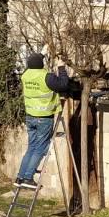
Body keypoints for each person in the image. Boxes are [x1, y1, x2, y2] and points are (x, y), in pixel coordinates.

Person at [16, 53, 72, 186]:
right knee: (40, 148)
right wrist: (61, 68)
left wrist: (42, 53)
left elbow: (31, 64)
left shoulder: (25, 75)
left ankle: (20, 177)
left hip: (30, 117)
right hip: (44, 118)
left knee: (32, 147)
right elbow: (63, 85)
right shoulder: (46, 77)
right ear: (41, 64)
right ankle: (28, 178)